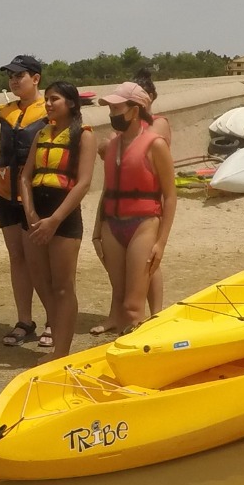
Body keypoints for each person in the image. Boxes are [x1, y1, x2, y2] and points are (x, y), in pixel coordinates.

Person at [91, 80, 176, 335]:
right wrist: (97, 231)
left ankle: (142, 348)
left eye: (117, 109)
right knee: (119, 298)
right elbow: (107, 190)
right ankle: (123, 345)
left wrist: (161, 242)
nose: (112, 114)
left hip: (144, 224)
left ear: (135, 110)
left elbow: (170, 196)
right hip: (112, 225)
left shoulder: (155, 145)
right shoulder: (111, 147)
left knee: (132, 306)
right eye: (110, 109)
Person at [19, 80, 95, 358]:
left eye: (55, 99)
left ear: (71, 103)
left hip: (63, 215)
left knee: (63, 286)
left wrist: (54, 220)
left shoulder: (83, 136)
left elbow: (83, 183)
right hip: (35, 214)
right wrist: (30, 214)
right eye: (47, 99)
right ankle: (57, 333)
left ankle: (61, 351)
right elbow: (25, 177)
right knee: (40, 280)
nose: (49, 104)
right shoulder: (41, 134)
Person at [0, 54, 53, 347]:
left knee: (38, 261)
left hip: (34, 192)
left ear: (35, 78)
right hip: (5, 193)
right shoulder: (6, 112)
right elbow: (3, 156)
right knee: (17, 257)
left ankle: (53, 320)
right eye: (10, 76)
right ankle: (25, 320)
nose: (13, 81)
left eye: (19, 75)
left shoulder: (49, 110)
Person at [134, 68, 173, 316]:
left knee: (150, 259)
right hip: (130, 198)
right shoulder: (130, 125)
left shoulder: (158, 123)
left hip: (151, 197)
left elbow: (142, 145)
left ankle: (156, 312)